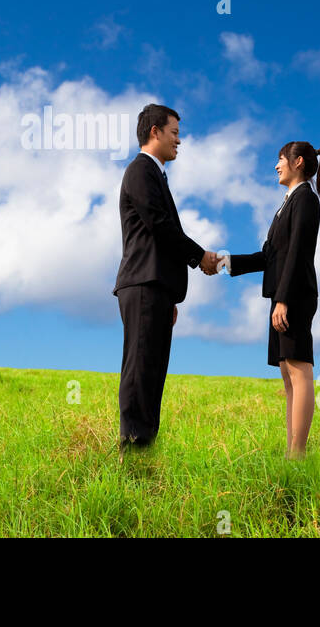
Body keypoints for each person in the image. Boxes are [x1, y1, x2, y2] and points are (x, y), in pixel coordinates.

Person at [113, 104, 220, 451]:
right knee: (141, 370)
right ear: (155, 132)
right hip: (144, 284)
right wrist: (198, 255)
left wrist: (171, 296)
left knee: (153, 372)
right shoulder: (141, 170)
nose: (179, 141)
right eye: (174, 133)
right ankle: (132, 451)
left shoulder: (154, 174)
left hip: (156, 288)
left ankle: (144, 451)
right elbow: (159, 225)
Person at [221, 141, 320, 459]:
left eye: (280, 160)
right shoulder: (286, 205)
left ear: (297, 162)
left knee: (299, 370)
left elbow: (298, 252)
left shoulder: (305, 200)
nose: (276, 166)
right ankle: (292, 451)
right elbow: (269, 257)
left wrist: (284, 300)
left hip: (295, 295)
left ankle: (297, 454)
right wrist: (222, 263)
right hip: (283, 295)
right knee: (287, 372)